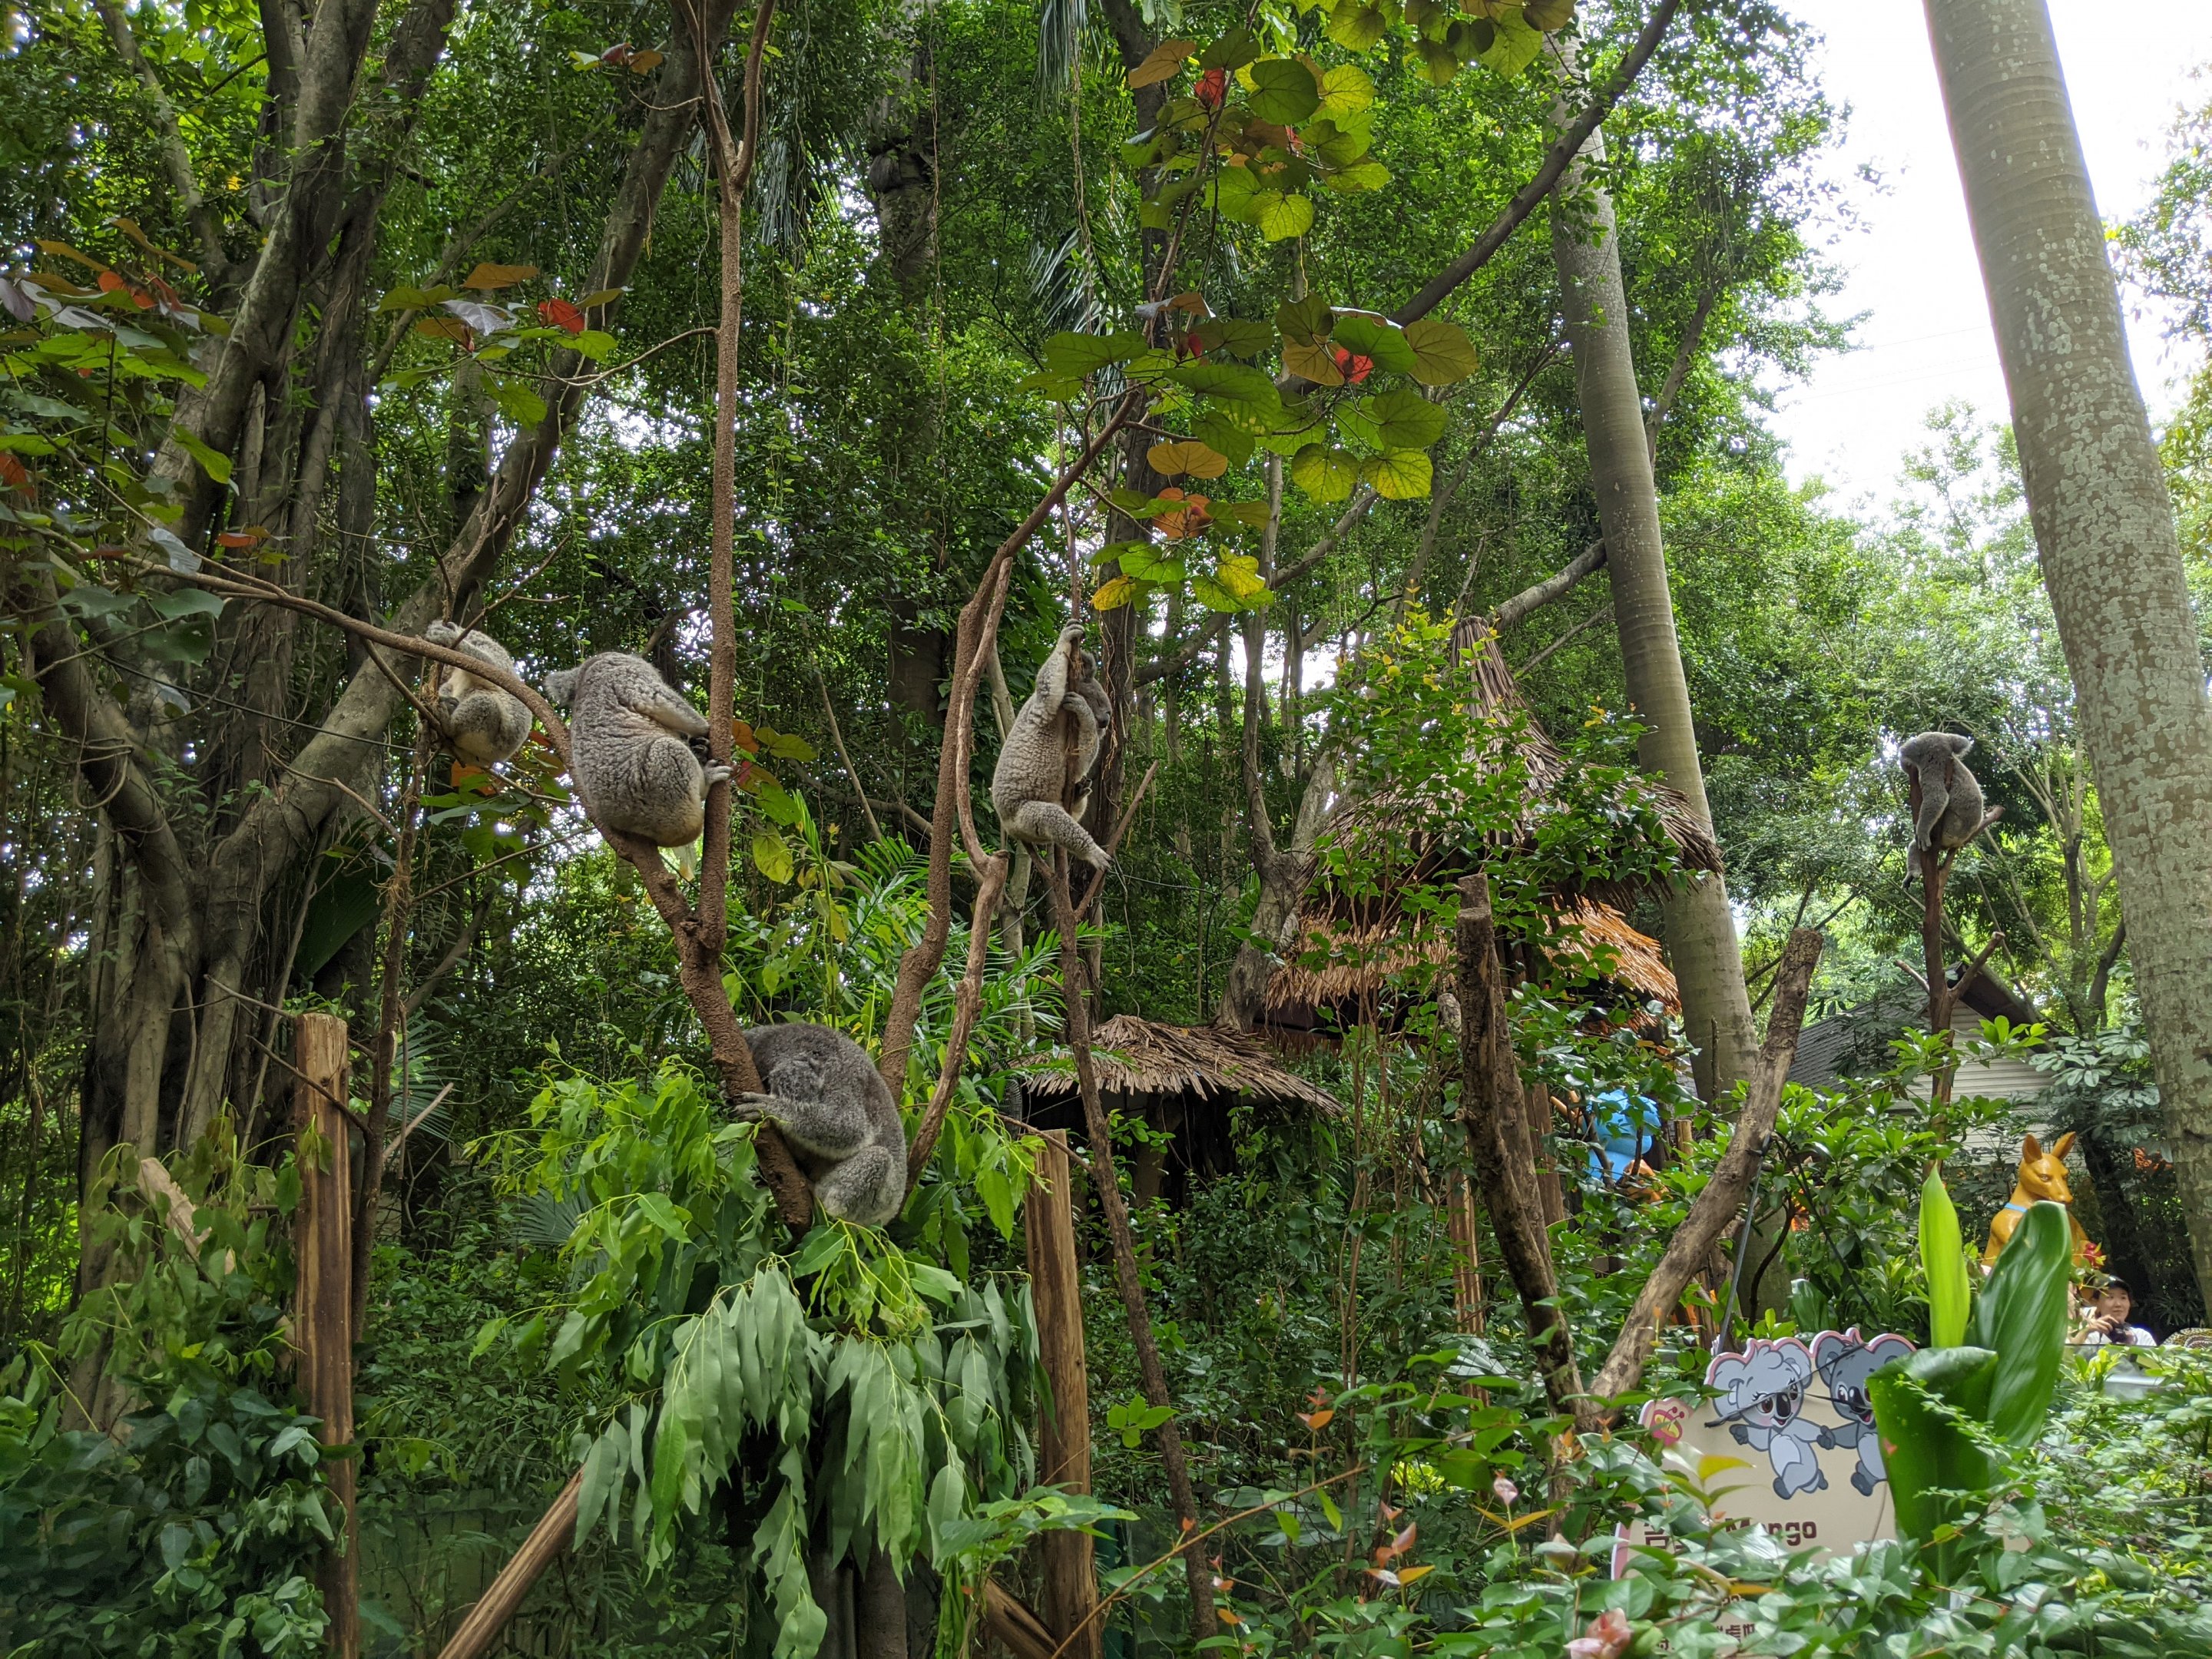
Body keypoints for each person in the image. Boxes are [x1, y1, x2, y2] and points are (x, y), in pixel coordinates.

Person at [2079, 1277, 2156, 1347]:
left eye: (2123, 1298)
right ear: (2095, 1302)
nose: (2118, 1304)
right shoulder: (2089, 1336)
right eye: (2110, 1297)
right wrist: (2086, 1331)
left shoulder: (2142, 1336)